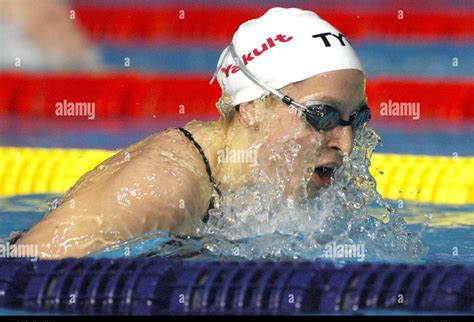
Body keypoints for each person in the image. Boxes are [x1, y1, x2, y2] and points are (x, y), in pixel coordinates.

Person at [16, 7, 370, 258]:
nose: (346, 144)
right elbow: (25, 278)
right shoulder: (164, 187)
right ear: (251, 107)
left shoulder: (242, 185)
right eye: (321, 116)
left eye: (356, 119)